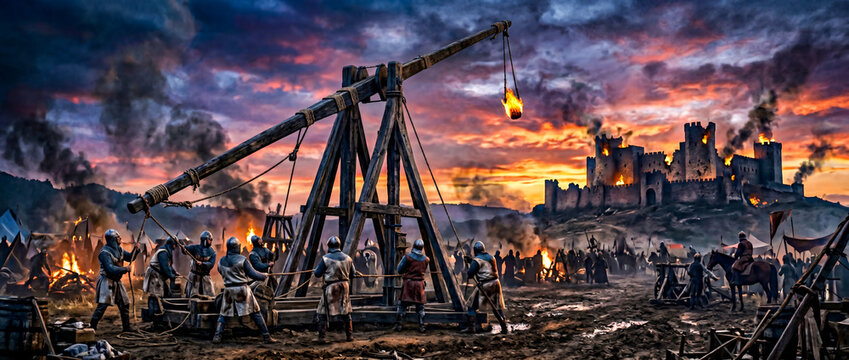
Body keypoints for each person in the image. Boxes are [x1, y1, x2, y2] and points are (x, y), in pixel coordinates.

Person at [212, 237, 277, 344]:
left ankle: (217, 336)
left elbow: (220, 271)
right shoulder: (243, 260)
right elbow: (252, 274)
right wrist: (263, 276)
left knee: (223, 315)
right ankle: (266, 336)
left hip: (228, 291)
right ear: (237, 247)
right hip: (242, 290)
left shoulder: (221, 261)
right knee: (256, 312)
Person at [91, 229, 138, 332]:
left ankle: (126, 327)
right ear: (113, 239)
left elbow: (130, 257)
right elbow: (110, 268)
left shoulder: (119, 250)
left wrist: (136, 250)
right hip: (106, 281)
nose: (120, 239)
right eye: (118, 238)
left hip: (117, 281)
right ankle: (92, 327)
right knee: (102, 305)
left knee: (124, 303)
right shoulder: (104, 253)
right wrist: (125, 269)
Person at [314, 236, 358, 342]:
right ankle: (349, 336)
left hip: (331, 288)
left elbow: (317, 274)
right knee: (346, 311)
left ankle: (322, 337)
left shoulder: (326, 258)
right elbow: (353, 274)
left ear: (329, 246)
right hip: (345, 287)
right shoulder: (348, 258)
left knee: (322, 311)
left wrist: (322, 269)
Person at [462, 241, 508, 334]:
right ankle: (504, 327)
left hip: (485, 286)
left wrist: (470, 265)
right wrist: (471, 261)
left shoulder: (476, 260)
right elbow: (483, 265)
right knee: (497, 307)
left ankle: (472, 328)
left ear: (475, 251)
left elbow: (470, 273)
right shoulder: (492, 257)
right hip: (496, 284)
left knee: (471, 305)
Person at [395, 239, 429, 333]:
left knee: (402, 305)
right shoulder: (426, 259)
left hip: (408, 284)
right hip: (419, 285)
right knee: (420, 307)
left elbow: (399, 270)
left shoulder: (408, 257)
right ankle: (421, 325)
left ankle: (399, 325)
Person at [143, 238, 178, 322]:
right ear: (172, 244)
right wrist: (171, 275)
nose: (175, 247)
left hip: (158, 276)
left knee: (166, 292)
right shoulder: (163, 252)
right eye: (175, 245)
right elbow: (165, 268)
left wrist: (174, 272)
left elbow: (168, 266)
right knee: (155, 295)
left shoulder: (166, 251)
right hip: (154, 275)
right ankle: (154, 317)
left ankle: (162, 315)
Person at [184, 231, 216, 297]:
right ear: (204, 240)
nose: (210, 241)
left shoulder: (212, 252)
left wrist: (202, 263)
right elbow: (185, 250)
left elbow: (211, 264)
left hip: (205, 278)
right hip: (194, 277)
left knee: (209, 297)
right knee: (192, 296)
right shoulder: (195, 248)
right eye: (209, 240)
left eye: (211, 240)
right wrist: (183, 247)